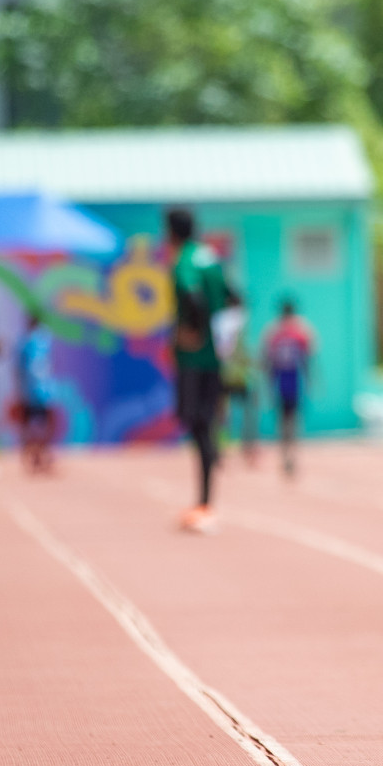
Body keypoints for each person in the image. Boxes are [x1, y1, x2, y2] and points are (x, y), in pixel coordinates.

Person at [166, 206, 231, 534]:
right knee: (204, 424)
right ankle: (205, 501)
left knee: (197, 425)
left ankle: (204, 504)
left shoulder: (185, 261)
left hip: (194, 360)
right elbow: (235, 297)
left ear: (171, 233)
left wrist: (193, 330)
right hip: (215, 357)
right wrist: (224, 339)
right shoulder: (211, 256)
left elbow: (192, 297)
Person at [262, 296, 317, 479]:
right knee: (292, 421)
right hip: (293, 381)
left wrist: (269, 385)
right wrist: (309, 381)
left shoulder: (274, 332)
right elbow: (307, 360)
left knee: (284, 421)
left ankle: (287, 455)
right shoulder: (301, 331)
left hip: (283, 382)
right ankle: (290, 456)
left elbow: (267, 362)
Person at [217, 291, 259, 469]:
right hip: (240, 376)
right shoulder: (240, 319)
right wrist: (252, 362)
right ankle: (248, 448)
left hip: (223, 374)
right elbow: (239, 349)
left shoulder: (219, 320)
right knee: (249, 411)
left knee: (222, 415)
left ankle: (220, 450)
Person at [16, 311, 57, 475]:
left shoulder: (26, 341)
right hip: (43, 390)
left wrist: (19, 389)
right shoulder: (43, 339)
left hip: (32, 390)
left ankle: (35, 454)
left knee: (31, 424)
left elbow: (19, 368)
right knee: (44, 424)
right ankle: (39, 453)